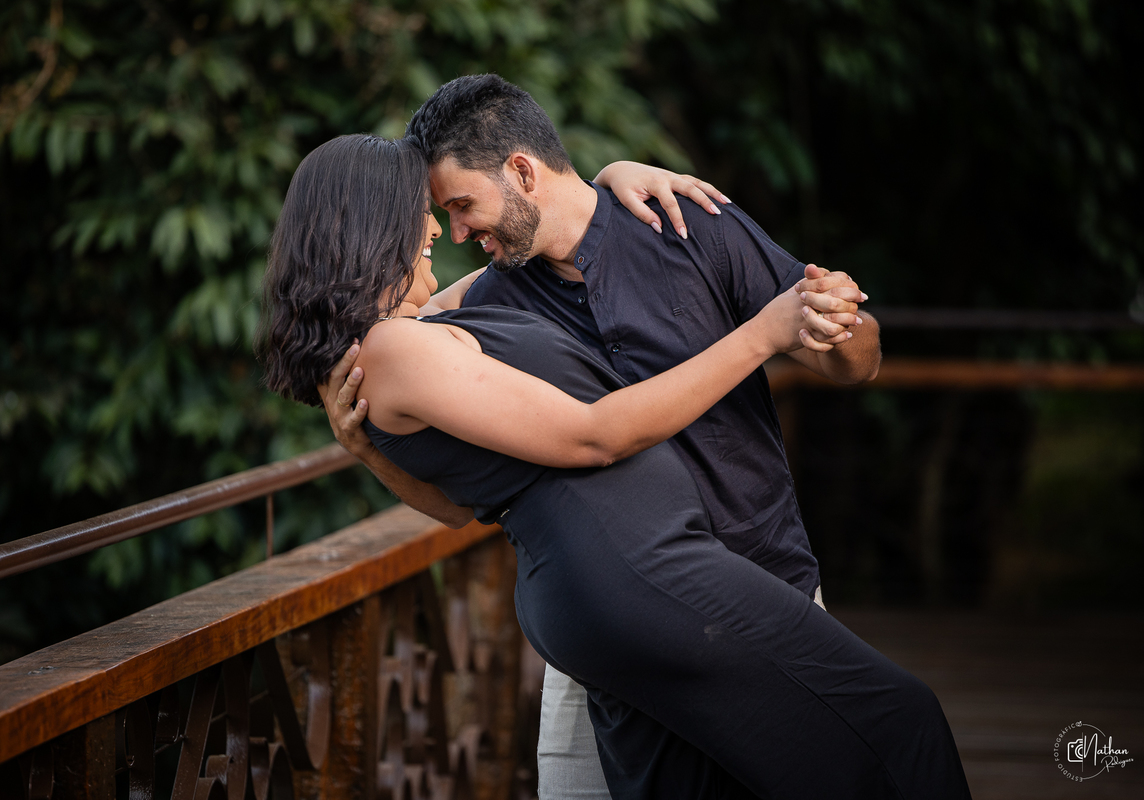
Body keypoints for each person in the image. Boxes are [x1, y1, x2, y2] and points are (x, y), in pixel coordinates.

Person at [257, 133, 971, 799]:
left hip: (641, 578)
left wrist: (602, 185)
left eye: (450, 207)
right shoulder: (397, 348)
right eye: (423, 212)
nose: (441, 230)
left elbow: (463, 504)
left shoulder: (424, 327)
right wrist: (764, 334)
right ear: (373, 224)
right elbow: (593, 437)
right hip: (641, 576)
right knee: (901, 725)